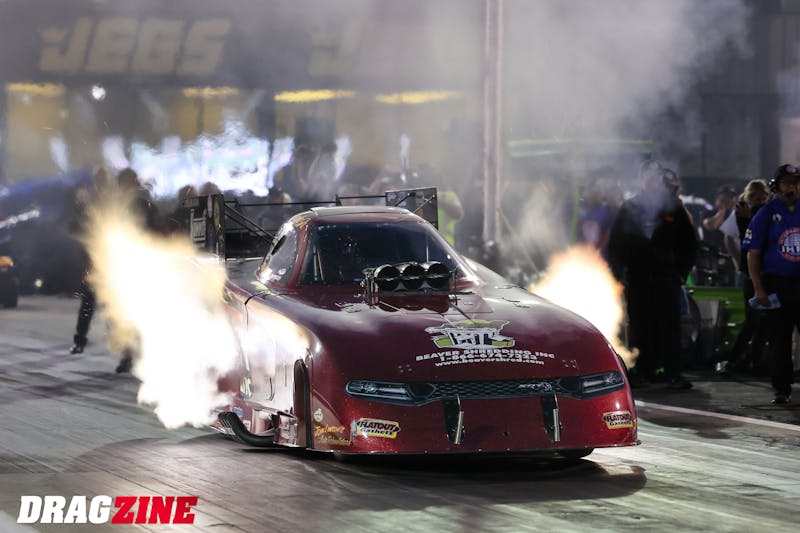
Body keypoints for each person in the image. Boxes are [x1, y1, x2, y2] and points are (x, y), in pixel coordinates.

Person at [607, 161, 697, 388]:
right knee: (640, 325)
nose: (652, 180)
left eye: (656, 176)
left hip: (666, 277)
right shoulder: (629, 207)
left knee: (670, 326)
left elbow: (689, 243)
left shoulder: (673, 207)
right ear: (641, 179)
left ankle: (672, 373)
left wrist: (681, 273)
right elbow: (616, 243)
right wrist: (618, 273)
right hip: (638, 278)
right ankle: (643, 370)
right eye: (647, 176)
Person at [742, 164, 800, 404]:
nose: (792, 187)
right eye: (787, 183)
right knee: (780, 340)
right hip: (778, 284)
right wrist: (758, 287)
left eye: (795, 183)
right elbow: (753, 253)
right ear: (777, 186)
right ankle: (781, 389)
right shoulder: (766, 213)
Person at [719, 179, 770, 374]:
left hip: (766, 270)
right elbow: (743, 238)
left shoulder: (765, 212)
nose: (761, 201)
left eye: (764, 198)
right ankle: (734, 359)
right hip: (751, 271)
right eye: (758, 198)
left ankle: (755, 360)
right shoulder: (744, 214)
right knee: (752, 320)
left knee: (764, 321)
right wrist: (737, 261)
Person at [68, 167, 110, 355]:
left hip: (108, 261)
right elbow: (79, 228)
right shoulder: (90, 202)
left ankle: (118, 341)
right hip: (95, 261)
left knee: (111, 304)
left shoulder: (110, 201)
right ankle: (80, 339)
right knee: (89, 303)